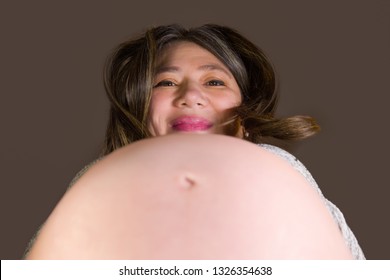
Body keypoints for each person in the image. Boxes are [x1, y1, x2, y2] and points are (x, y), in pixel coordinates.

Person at [24, 24, 365, 259]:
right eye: (167, 82)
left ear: (246, 112)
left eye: (215, 81)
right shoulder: (96, 181)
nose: (191, 96)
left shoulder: (280, 168)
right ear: (140, 107)